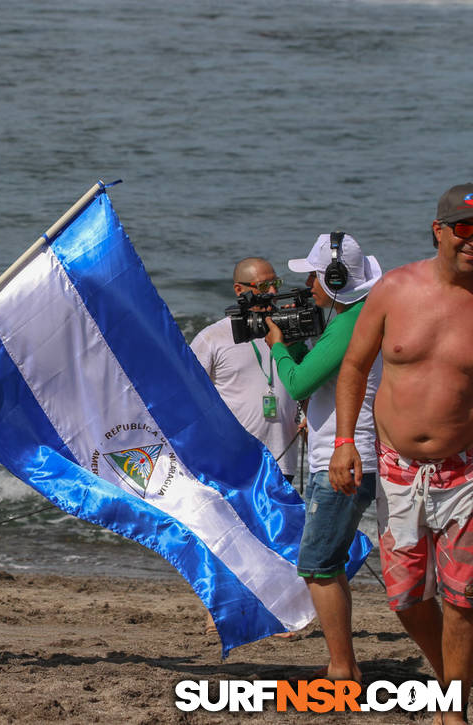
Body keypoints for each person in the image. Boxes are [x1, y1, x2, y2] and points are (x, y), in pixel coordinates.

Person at [330, 184, 473, 723]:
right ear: (439, 230)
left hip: (466, 472)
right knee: (407, 596)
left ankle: (452, 711)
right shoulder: (394, 289)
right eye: (464, 230)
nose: (472, 242)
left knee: (464, 597)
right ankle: (452, 680)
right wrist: (346, 441)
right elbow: (354, 367)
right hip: (396, 470)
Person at [264, 233, 383, 682]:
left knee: (316, 565)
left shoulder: (350, 323)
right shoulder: (353, 317)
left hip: (345, 458)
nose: (310, 284)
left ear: (335, 278)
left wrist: (278, 342)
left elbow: (296, 385)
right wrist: (294, 340)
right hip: (340, 454)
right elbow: (312, 380)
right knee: (326, 563)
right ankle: (345, 663)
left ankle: (341, 669)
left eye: (315, 275)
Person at [190, 257, 301, 483]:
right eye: (262, 286)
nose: (271, 291)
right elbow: (188, 398)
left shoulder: (291, 332)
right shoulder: (212, 338)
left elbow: (306, 383)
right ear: (240, 290)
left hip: (283, 461)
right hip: (231, 462)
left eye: (276, 284)